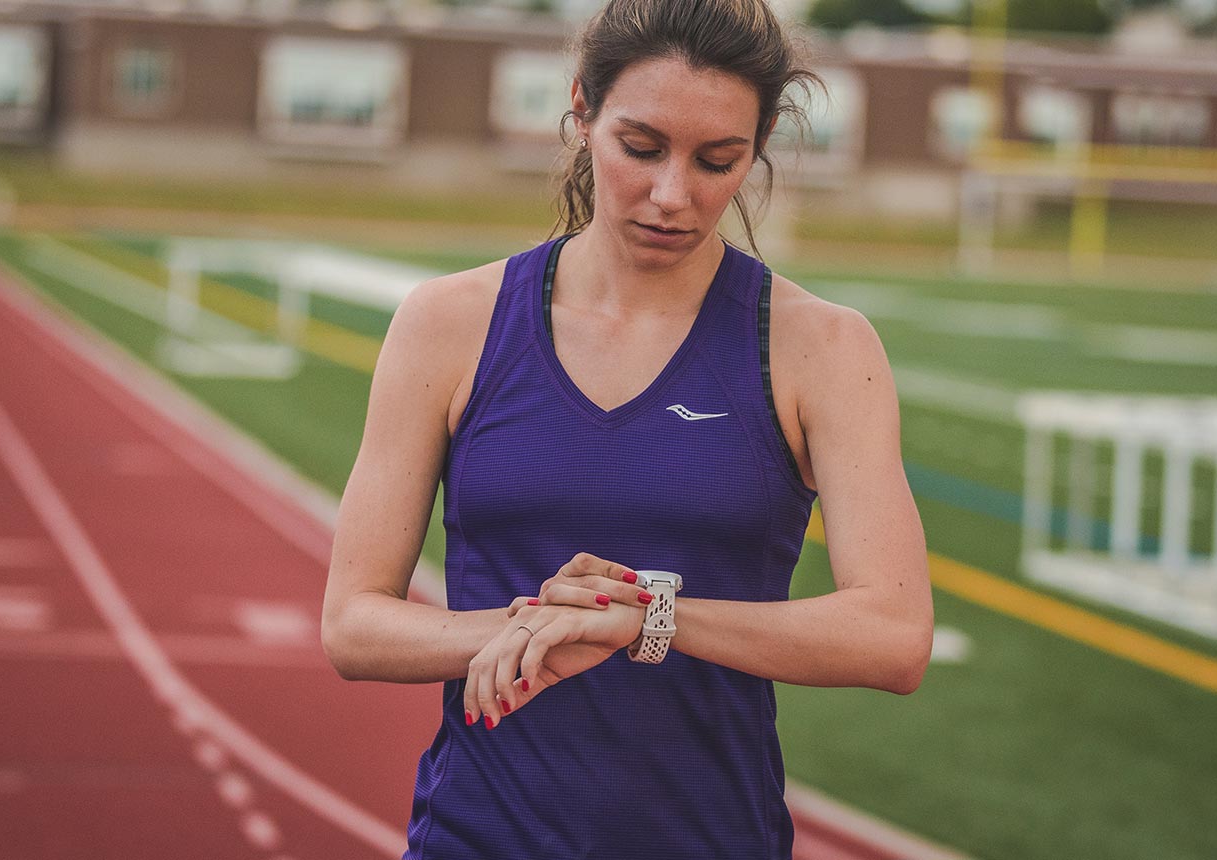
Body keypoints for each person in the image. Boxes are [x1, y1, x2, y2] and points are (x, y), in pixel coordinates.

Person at [321, 0, 932, 856]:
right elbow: (353, 622)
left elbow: (894, 636)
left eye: (718, 161)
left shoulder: (823, 347)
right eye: (639, 148)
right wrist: (532, 628)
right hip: (476, 835)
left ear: (756, 151)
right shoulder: (447, 322)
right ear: (581, 112)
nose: (671, 194)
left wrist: (649, 616)